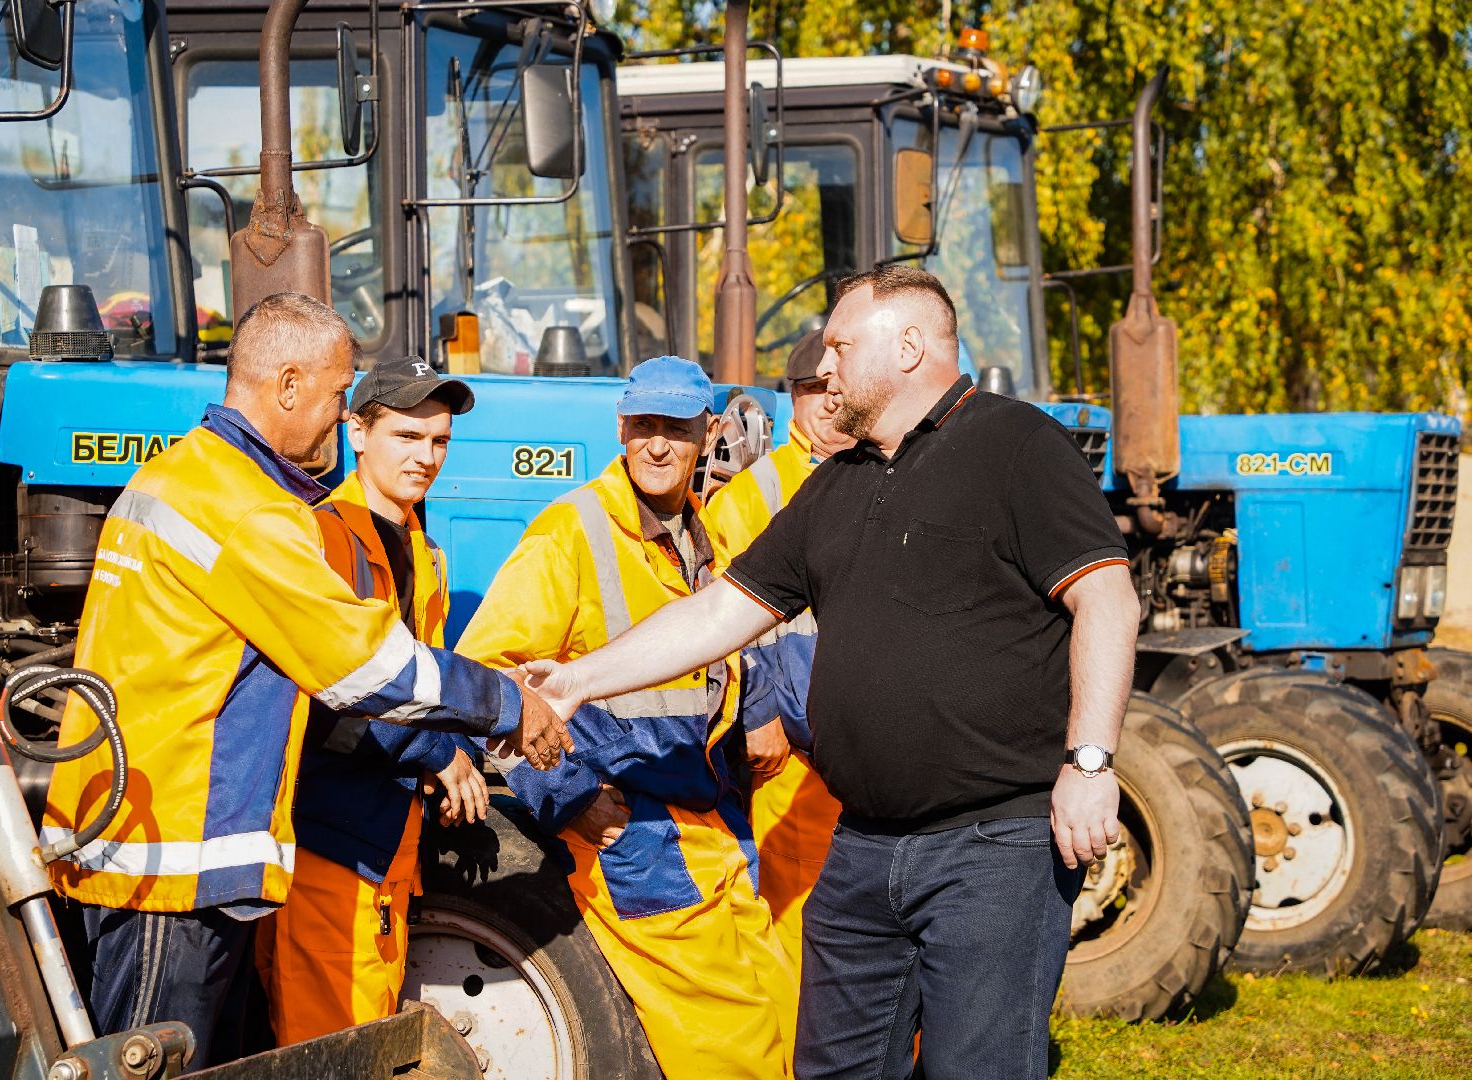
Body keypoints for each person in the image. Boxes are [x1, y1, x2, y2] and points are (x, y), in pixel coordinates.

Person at [522, 266, 1140, 1080]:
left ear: (911, 346)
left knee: (974, 1067)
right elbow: (721, 613)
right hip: (862, 848)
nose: (826, 368)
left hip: (994, 842)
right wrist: (576, 681)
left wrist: (1089, 764)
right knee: (833, 1068)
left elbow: (1108, 599)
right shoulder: (838, 484)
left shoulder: (1016, 444)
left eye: (843, 347)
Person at [38, 293, 569, 1065]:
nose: (336, 416)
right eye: (335, 395)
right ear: (287, 386)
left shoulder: (181, 475)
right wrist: (504, 703)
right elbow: (366, 666)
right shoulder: (250, 511)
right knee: (152, 1063)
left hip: (151, 832)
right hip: (169, 857)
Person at [455, 356, 799, 1079]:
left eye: (675, 429)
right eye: (643, 426)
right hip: (636, 829)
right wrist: (574, 800)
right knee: (729, 1045)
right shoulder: (574, 531)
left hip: (713, 824)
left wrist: (760, 711)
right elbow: (490, 676)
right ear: (620, 427)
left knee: (777, 1007)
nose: (657, 445)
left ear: (706, 435)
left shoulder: (705, 535)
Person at [258, 355, 486, 1045]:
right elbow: (326, 702)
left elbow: (432, 682)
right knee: (326, 1045)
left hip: (384, 842)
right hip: (328, 841)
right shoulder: (324, 539)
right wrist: (438, 754)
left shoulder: (423, 549)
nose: (427, 457)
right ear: (357, 432)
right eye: (407, 437)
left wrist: (458, 754)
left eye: (439, 441)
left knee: (367, 1037)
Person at [700, 329, 852, 975]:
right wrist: (758, 711)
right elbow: (718, 615)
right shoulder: (754, 496)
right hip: (793, 754)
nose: (826, 402)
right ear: (793, 398)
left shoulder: (872, 476)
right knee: (802, 924)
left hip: (862, 745)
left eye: (835, 388)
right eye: (812, 389)